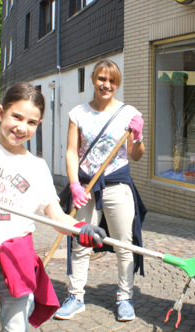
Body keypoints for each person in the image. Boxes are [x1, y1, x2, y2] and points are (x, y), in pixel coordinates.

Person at [0, 82, 106, 332]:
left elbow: (56, 217)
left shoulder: (36, 168)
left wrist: (81, 228)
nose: (22, 127)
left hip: (16, 265)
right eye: (16, 116)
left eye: (32, 122)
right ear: (2, 113)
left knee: (16, 328)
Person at [54, 59, 146, 322]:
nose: (107, 85)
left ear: (117, 83)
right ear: (93, 79)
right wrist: (73, 184)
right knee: (80, 241)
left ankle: (125, 298)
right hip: (85, 186)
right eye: (102, 79)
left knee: (122, 243)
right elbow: (71, 152)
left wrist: (138, 137)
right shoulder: (78, 113)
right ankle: (75, 296)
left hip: (118, 184)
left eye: (112, 80)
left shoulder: (129, 113)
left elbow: (136, 156)